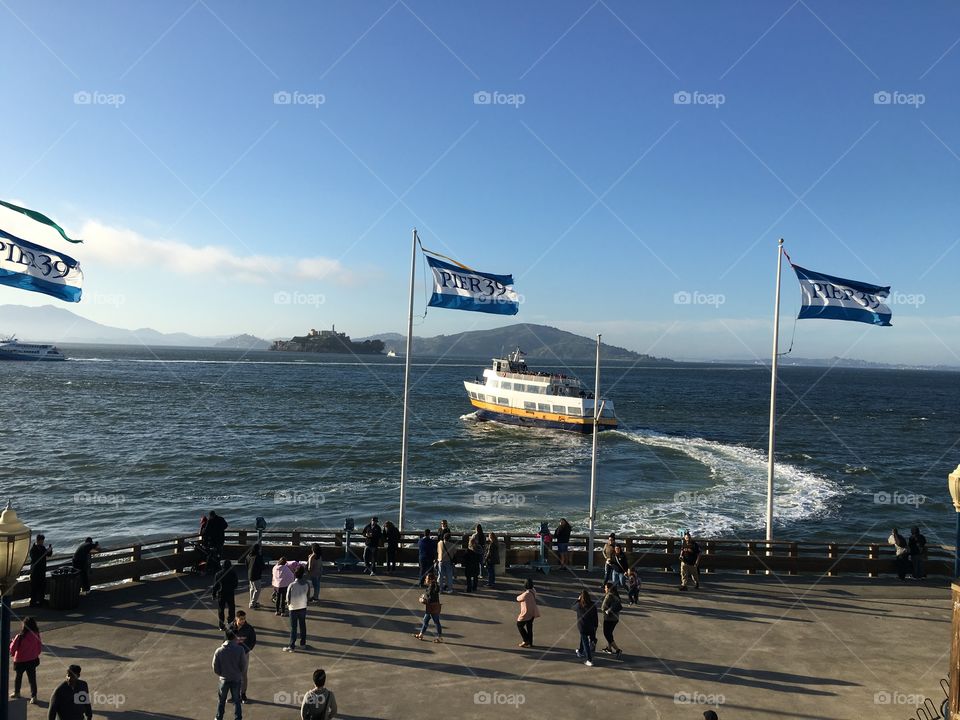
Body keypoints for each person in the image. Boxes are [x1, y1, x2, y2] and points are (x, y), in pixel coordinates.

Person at [213, 631, 247, 720]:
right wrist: (239, 673)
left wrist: (222, 674)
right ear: (235, 637)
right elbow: (243, 665)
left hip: (224, 679)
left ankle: (219, 717)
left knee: (221, 701)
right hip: (236, 679)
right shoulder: (240, 650)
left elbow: (215, 667)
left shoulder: (219, 651)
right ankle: (238, 718)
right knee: (237, 701)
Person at [9, 617, 41, 703]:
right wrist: (36, 654)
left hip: (20, 660)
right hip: (32, 659)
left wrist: (12, 643)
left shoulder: (19, 636)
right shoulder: (36, 634)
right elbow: (39, 646)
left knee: (18, 677)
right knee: (32, 679)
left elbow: (13, 648)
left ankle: (17, 692)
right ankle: (34, 696)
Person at [230, 611, 257, 704]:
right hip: (232, 655)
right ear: (236, 619)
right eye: (241, 619)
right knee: (233, 675)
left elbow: (253, 641)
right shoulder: (230, 627)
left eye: (244, 619)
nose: (243, 621)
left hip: (243, 655)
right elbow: (225, 640)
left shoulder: (249, 628)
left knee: (243, 675)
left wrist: (246, 650)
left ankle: (243, 694)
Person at [285, 565, 313, 651]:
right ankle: (303, 644)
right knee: (302, 626)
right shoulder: (307, 584)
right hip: (303, 607)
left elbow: (287, 598)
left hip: (293, 608)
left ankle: (291, 646)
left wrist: (288, 604)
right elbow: (308, 597)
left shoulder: (292, 585)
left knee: (293, 628)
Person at [414, 571, 443, 642]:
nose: (425, 580)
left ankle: (439, 637)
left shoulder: (431, 588)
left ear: (430, 580)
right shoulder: (433, 586)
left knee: (436, 622)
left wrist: (422, 600)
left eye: (426, 578)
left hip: (431, 608)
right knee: (426, 621)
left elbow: (429, 600)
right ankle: (421, 635)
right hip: (434, 607)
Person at [212, 559, 239, 630]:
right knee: (231, 608)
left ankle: (221, 625)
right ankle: (230, 622)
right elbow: (236, 584)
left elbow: (215, 586)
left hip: (221, 594)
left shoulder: (218, 574)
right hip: (230, 593)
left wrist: (214, 594)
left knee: (221, 610)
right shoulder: (233, 573)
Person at [28, 534, 52, 607]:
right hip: (35, 571)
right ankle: (33, 602)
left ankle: (41, 600)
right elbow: (35, 558)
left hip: (42, 571)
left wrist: (50, 550)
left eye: (43, 541)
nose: (42, 542)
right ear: (38, 540)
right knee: (34, 587)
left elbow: (48, 555)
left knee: (42, 586)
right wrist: (45, 552)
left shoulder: (42, 547)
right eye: (42, 541)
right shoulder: (33, 549)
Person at [600, 582, 623, 659]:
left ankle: (618, 650)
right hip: (615, 618)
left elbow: (602, 607)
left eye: (606, 588)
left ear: (609, 589)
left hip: (608, 618)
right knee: (610, 633)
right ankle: (609, 648)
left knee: (606, 634)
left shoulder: (609, 596)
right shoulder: (616, 595)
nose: (604, 589)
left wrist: (605, 611)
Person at [575, 590, 598, 666]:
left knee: (585, 643)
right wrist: (596, 625)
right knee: (584, 639)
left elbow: (572, 607)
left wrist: (577, 600)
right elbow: (596, 617)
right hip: (591, 626)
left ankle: (589, 659)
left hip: (582, 626)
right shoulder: (593, 605)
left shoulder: (579, 605)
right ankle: (581, 651)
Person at [516, 578, 540, 648]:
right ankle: (530, 642)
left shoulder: (526, 594)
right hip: (532, 611)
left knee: (519, 625)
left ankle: (526, 640)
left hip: (526, 612)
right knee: (529, 627)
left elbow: (518, 598)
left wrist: (523, 593)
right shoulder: (533, 591)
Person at [246, 543, 265, 609]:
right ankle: (252, 603)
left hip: (250, 574)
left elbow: (246, 564)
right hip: (256, 575)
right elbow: (262, 566)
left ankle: (252, 601)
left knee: (252, 589)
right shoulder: (258, 557)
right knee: (257, 590)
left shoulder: (248, 555)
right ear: (258, 549)